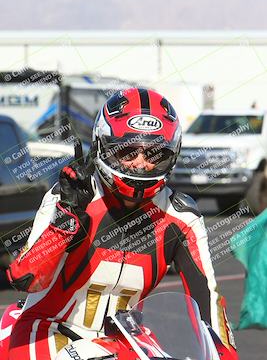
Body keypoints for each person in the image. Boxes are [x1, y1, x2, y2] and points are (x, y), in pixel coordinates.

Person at [6, 88, 238, 359]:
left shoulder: (182, 216)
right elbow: (25, 278)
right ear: (102, 146)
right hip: (45, 330)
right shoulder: (69, 196)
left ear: (171, 155)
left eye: (154, 154)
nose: (140, 164)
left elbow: (207, 302)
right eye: (128, 151)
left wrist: (224, 354)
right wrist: (66, 219)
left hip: (124, 341)